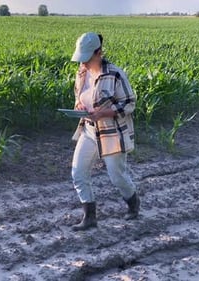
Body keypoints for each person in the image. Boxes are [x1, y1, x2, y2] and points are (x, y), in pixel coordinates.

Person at [69, 32, 139, 231]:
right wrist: (79, 108)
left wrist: (104, 113)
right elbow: (79, 99)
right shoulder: (81, 74)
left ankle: (133, 203)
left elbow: (129, 104)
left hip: (112, 132)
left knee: (117, 176)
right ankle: (89, 217)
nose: (82, 62)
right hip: (88, 130)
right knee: (78, 172)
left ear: (98, 52)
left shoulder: (115, 74)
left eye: (86, 57)